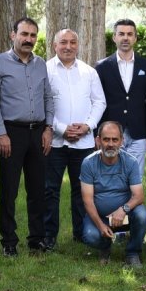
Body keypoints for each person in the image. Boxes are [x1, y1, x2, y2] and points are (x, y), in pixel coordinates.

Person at [0, 17, 56, 255]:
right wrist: (1, 133)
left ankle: (37, 238)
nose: (28, 39)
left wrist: (49, 128)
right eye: (24, 34)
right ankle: (9, 241)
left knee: (37, 189)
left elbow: (48, 97)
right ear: (12, 35)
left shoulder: (40, 64)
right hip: (11, 132)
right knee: (9, 190)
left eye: (33, 35)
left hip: (39, 132)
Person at [44, 29, 105, 250]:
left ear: (78, 45)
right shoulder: (45, 70)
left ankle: (81, 233)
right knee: (50, 190)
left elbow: (99, 102)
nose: (68, 46)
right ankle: (48, 236)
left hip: (84, 142)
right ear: (54, 45)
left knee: (82, 189)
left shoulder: (89, 72)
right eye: (63, 42)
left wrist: (88, 125)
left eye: (72, 42)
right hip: (55, 142)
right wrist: (61, 129)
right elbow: (41, 104)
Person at [78, 121, 146, 267]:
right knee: (90, 236)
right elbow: (87, 201)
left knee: (142, 216)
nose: (110, 144)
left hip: (126, 216)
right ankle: (105, 246)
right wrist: (100, 225)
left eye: (115, 139)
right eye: (106, 139)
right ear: (98, 140)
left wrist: (123, 210)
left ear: (121, 141)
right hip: (100, 217)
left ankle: (133, 253)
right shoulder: (88, 163)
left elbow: (139, 196)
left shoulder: (131, 162)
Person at [95, 18, 146, 170]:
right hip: (110, 134)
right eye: (121, 34)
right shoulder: (102, 67)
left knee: (135, 176)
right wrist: (97, 134)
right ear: (114, 37)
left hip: (138, 133)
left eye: (129, 34)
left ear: (135, 38)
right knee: (111, 174)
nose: (125, 38)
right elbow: (96, 101)